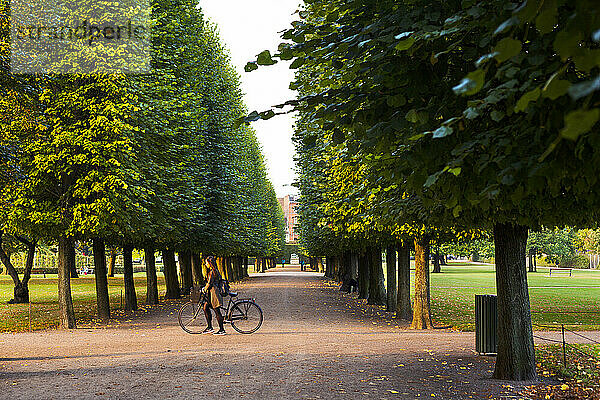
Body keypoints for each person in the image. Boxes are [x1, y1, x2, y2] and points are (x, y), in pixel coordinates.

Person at [202, 256, 226, 335]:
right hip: (211, 293)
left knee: (217, 311)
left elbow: (209, 283)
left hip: (214, 293)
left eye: (206, 262)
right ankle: (209, 327)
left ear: (210, 263)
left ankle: (222, 330)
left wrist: (204, 289)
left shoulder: (213, 271)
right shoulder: (215, 270)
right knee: (205, 307)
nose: (205, 264)